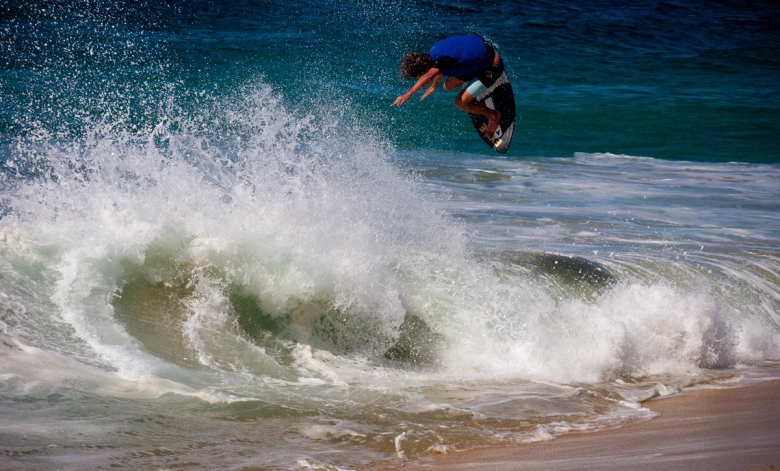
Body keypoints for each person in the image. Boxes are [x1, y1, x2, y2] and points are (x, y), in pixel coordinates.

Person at [392, 34, 504, 138]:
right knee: (447, 86)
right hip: (480, 54)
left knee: (460, 102)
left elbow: (430, 74)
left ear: (425, 70)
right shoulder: (434, 52)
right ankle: (473, 84)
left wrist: (407, 94)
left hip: (491, 67)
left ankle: (494, 115)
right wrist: (433, 87)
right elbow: (439, 68)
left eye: (419, 76)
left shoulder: (439, 65)